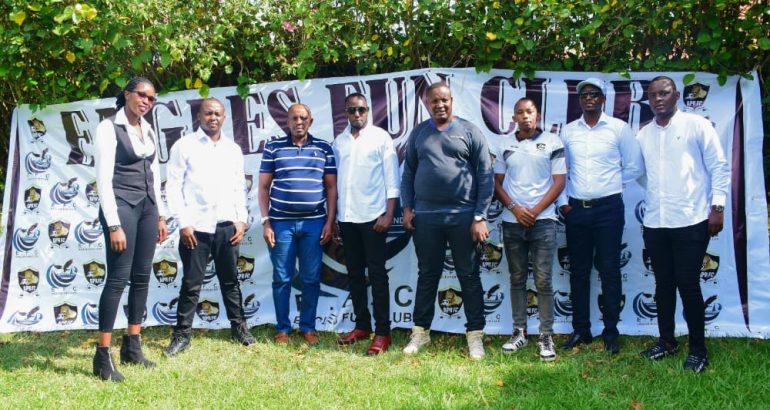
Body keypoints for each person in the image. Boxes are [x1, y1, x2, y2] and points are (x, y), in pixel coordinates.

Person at [637, 76, 729, 373]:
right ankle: (667, 341)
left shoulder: (697, 125)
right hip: (656, 221)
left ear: (676, 95)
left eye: (664, 93)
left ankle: (698, 350)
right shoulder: (643, 135)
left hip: (692, 219)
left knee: (688, 284)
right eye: (653, 95)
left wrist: (717, 207)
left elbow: (719, 166)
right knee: (663, 285)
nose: (658, 99)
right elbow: (642, 174)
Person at [400, 82, 493, 360]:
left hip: (463, 216)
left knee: (469, 275)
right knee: (427, 275)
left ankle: (475, 335)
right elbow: (408, 173)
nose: (440, 105)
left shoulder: (470, 131)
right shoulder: (419, 133)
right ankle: (421, 332)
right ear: (427, 103)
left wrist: (479, 216)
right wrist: (407, 208)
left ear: (452, 100)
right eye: (434, 101)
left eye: (444, 100)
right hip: (426, 217)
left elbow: (485, 175)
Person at [163, 98, 255, 357]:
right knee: (191, 284)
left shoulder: (232, 149)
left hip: (227, 226)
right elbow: (173, 187)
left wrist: (241, 219)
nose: (213, 118)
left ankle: (239, 329)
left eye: (217, 114)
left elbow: (239, 186)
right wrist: (183, 223)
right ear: (199, 116)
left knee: (231, 281)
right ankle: (182, 335)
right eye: (208, 113)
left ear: (224, 118)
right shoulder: (184, 146)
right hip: (196, 229)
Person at [558, 78, 644, 354]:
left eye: (594, 94)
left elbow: (635, 166)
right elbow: (560, 170)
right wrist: (563, 203)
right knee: (579, 271)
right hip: (577, 210)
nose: (589, 98)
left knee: (609, 270)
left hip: (609, 210)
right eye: (584, 94)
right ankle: (581, 329)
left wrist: (611, 185)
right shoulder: (569, 131)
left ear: (603, 99)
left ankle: (610, 332)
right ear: (579, 100)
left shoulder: (618, 128)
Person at [92, 77, 168, 381]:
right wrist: (114, 224)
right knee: (117, 278)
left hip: (148, 207)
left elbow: (155, 174)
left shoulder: (147, 129)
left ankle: (132, 346)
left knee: (141, 277)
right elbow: (103, 180)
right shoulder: (108, 127)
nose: (146, 101)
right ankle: (102, 356)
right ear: (127, 94)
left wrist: (160, 215)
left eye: (151, 98)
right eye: (142, 95)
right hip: (121, 207)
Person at [258, 103, 337, 345]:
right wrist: (266, 222)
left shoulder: (323, 148)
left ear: (310, 121)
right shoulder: (273, 148)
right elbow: (263, 187)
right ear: (287, 121)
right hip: (281, 225)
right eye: (294, 118)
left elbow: (331, 187)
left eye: (303, 118)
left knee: (311, 278)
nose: (299, 122)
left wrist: (330, 221)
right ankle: (282, 328)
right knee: (282, 278)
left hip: (314, 224)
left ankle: (308, 327)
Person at [493, 98, 566, 361]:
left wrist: (533, 211)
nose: (525, 116)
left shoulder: (553, 142)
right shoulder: (504, 144)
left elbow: (559, 182)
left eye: (530, 112)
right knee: (517, 278)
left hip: (543, 221)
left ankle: (546, 335)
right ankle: (519, 332)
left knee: (543, 280)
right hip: (512, 221)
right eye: (520, 113)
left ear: (538, 115)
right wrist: (515, 208)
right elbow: (496, 183)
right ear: (514, 118)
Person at [333, 93, 400, 355]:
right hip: (347, 217)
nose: (357, 114)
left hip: (374, 217)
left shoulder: (381, 138)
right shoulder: (339, 142)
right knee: (354, 274)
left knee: (377, 274)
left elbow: (392, 179)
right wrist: (335, 217)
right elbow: (335, 183)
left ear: (368, 110)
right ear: (346, 113)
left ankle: (383, 332)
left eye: (361, 109)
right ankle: (362, 325)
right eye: (352, 110)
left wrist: (388, 214)